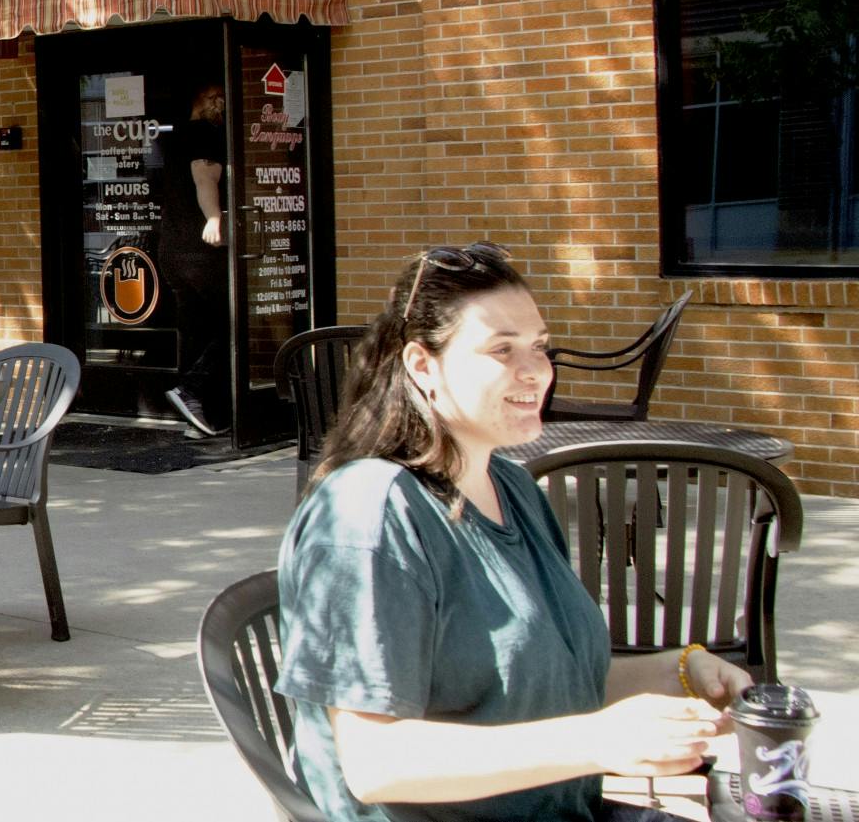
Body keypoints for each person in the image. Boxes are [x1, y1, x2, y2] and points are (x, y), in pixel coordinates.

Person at [274, 241, 750, 822]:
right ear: (422, 365)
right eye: (502, 350)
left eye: (539, 347)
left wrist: (682, 673)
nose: (536, 372)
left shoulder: (512, 486)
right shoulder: (368, 512)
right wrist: (598, 741)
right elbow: (377, 763)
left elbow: (538, 682)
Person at [157, 84, 230, 436]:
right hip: (199, 249)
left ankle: (197, 418)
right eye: (216, 96)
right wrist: (214, 218)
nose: (222, 103)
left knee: (194, 329)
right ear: (201, 100)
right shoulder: (205, 134)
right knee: (234, 323)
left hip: (171, 247)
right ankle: (192, 389)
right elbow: (205, 178)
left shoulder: (173, 137)